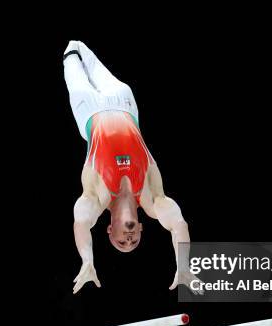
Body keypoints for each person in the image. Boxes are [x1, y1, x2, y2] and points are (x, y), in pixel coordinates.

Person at [63, 41, 201, 295]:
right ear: (140, 228)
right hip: (126, 105)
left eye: (121, 241)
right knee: (84, 49)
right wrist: (183, 265)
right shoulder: (151, 199)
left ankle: (70, 50)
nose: (129, 238)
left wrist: (88, 261)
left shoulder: (96, 199)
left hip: (89, 110)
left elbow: (80, 224)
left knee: (71, 55)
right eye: (133, 240)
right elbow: (179, 224)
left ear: (109, 230)